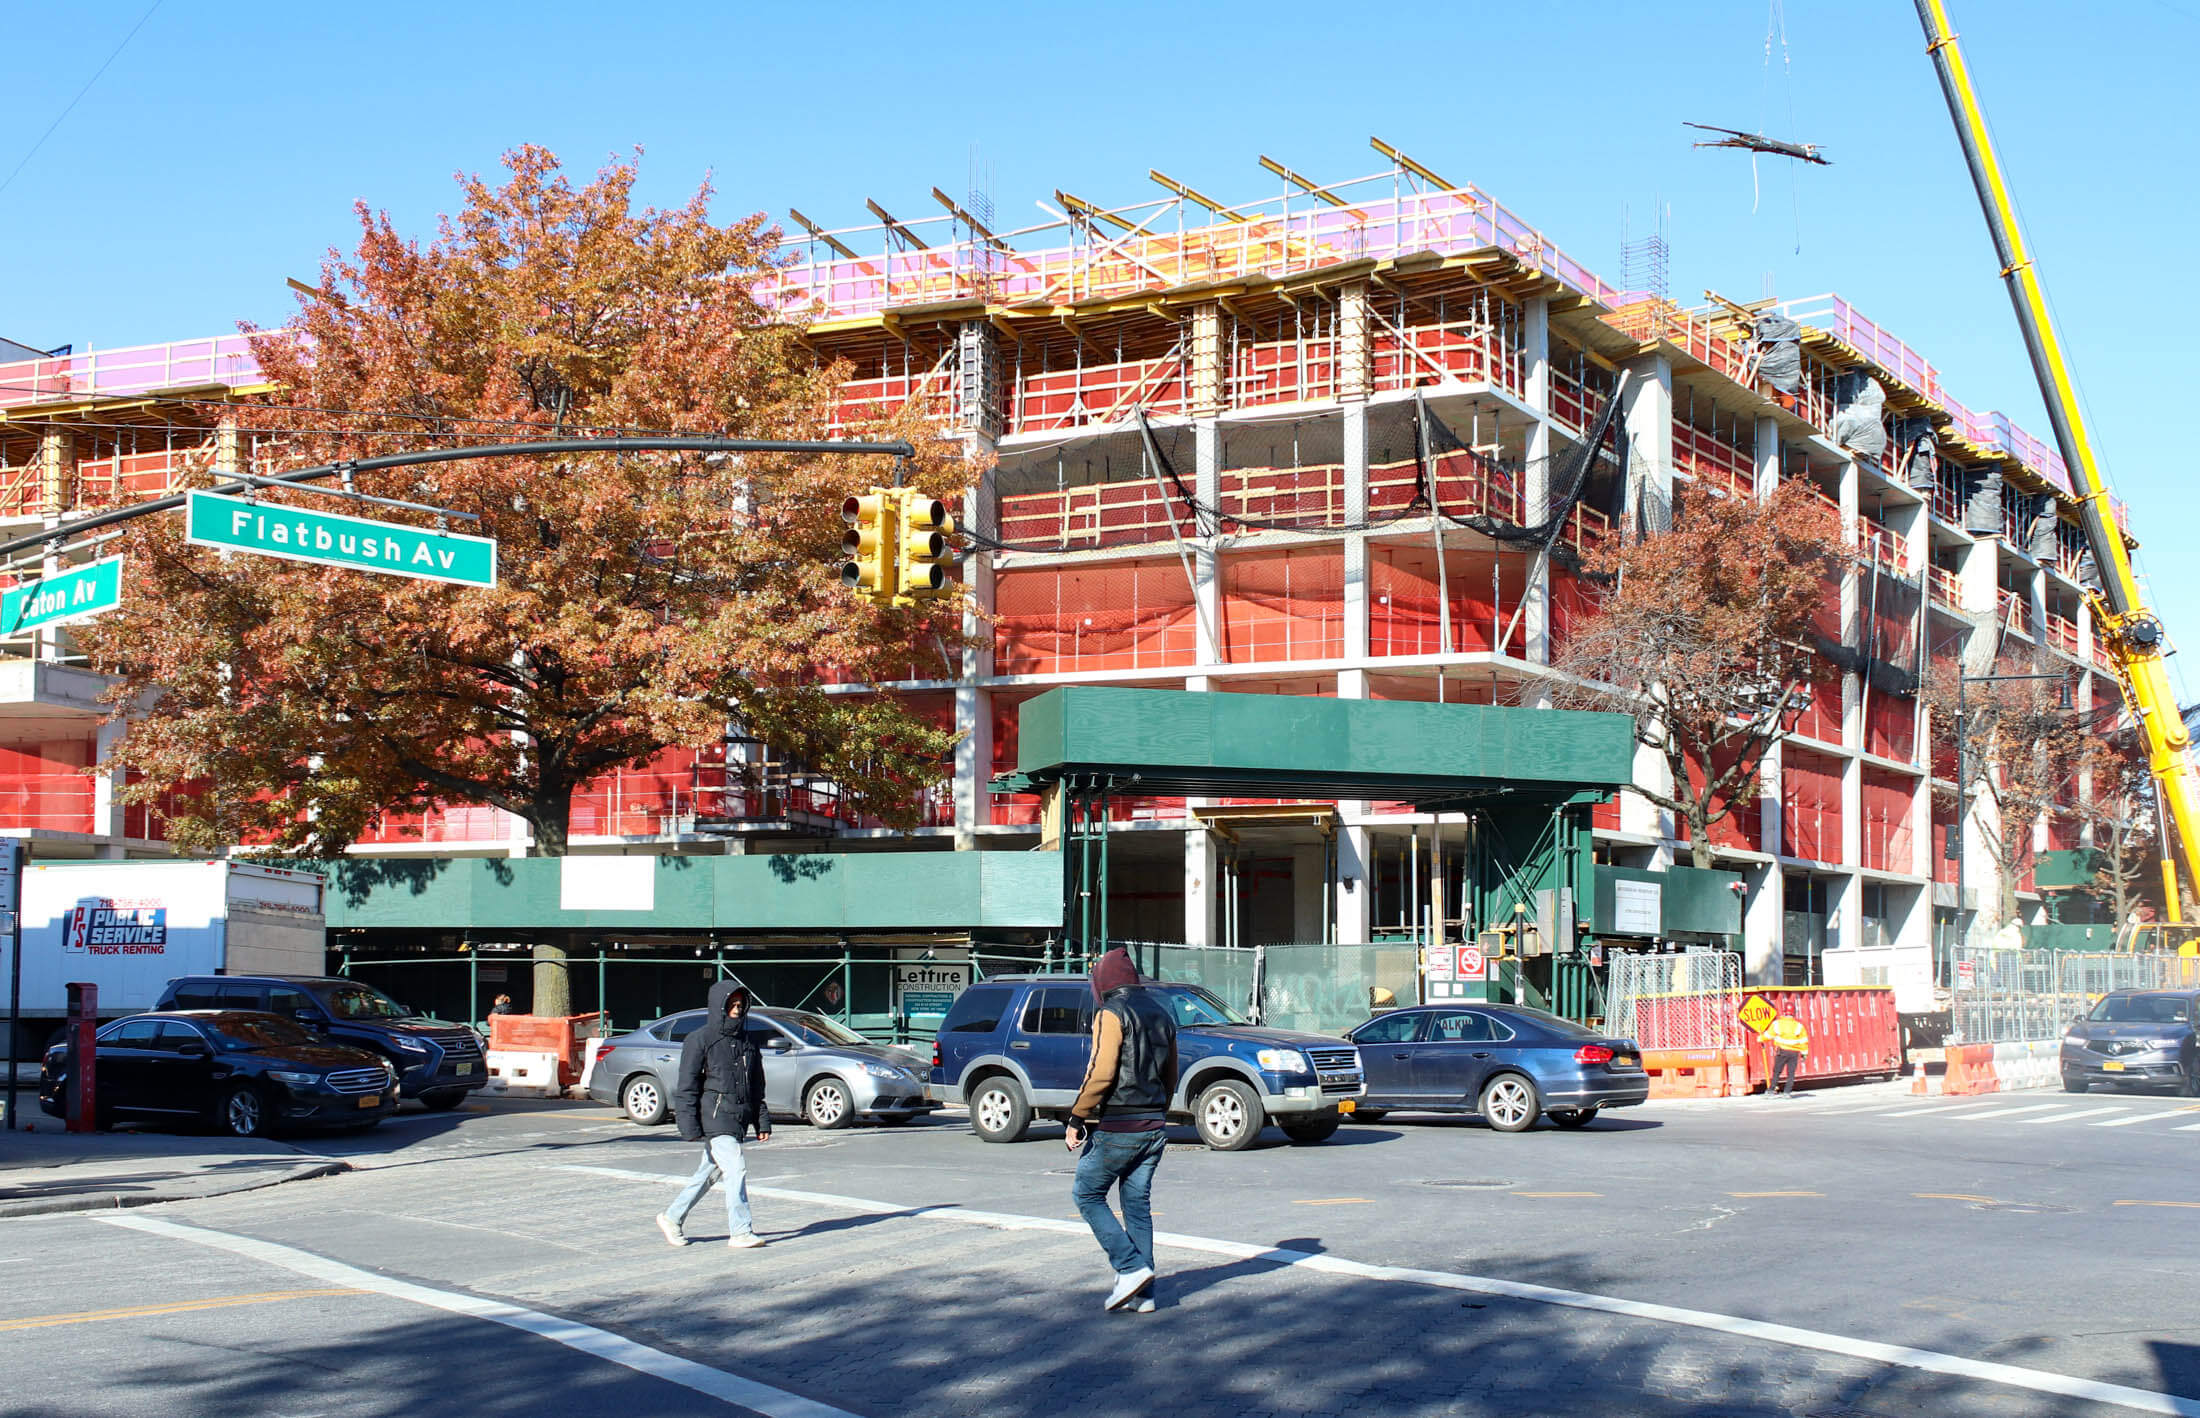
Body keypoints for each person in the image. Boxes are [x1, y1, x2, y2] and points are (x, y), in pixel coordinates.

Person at [1067, 947, 1178, 1314]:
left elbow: (1100, 1071)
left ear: (1103, 982)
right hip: (1153, 1125)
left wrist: (1077, 1117)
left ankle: (1129, 1269)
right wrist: (1159, 1112)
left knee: (1086, 1193)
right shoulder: (1162, 1013)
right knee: (1137, 1204)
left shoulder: (1111, 1013)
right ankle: (1144, 1295)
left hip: (1118, 1123)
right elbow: (1171, 1074)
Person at [659, 980, 771, 1249]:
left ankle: (671, 1217)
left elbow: (756, 1085)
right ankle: (741, 1231)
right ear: (718, 1007)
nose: (736, 1010)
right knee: (736, 1166)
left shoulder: (748, 1042)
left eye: (740, 1005)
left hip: (739, 1118)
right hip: (715, 1117)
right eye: (731, 1005)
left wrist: (761, 1120)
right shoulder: (700, 1039)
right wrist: (687, 1125)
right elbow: (687, 1085)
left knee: (709, 1174)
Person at [1766, 1010, 1810, 1097]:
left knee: (1777, 1071)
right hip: (1794, 1052)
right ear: (1793, 1014)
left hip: (1782, 1051)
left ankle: (1771, 1090)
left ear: (1784, 1013)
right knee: (1791, 1073)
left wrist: (1760, 1038)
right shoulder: (1799, 1026)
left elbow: (1769, 1035)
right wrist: (1804, 1054)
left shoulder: (1777, 1024)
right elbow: (1804, 1041)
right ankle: (1787, 1092)